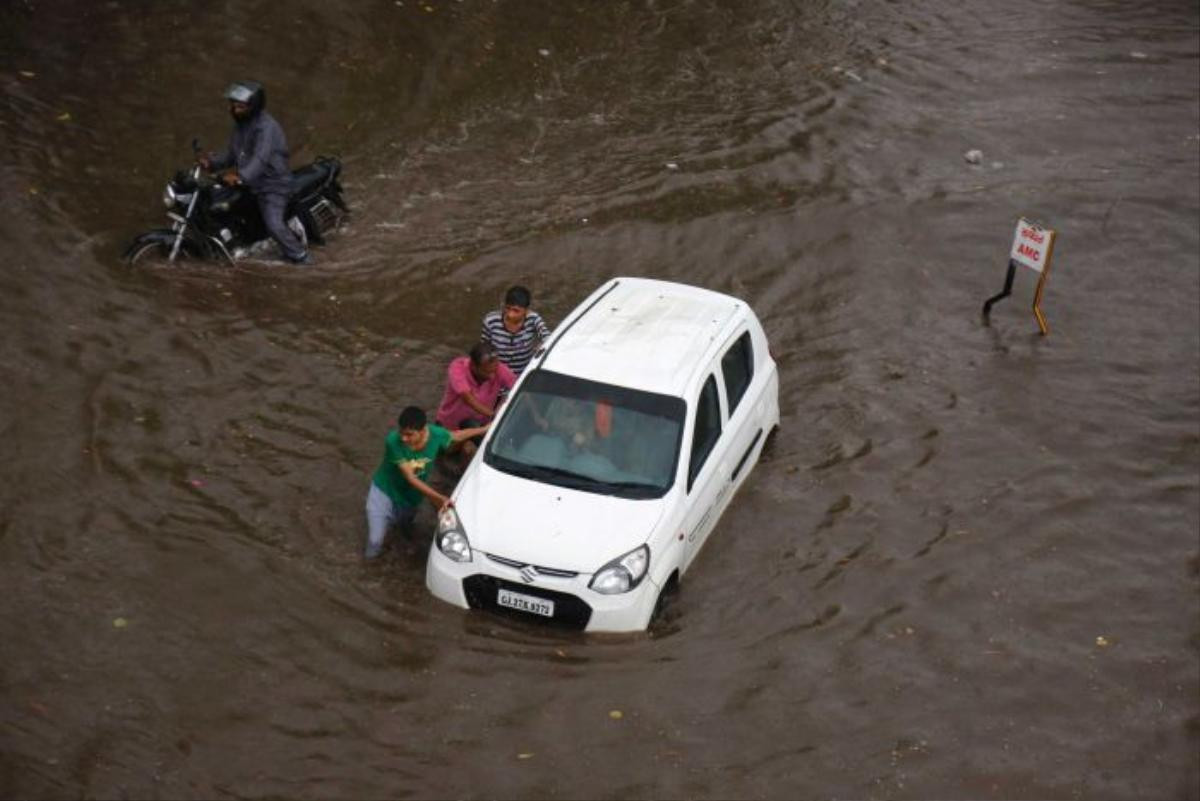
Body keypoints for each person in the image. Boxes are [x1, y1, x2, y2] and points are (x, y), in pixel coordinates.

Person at [199, 80, 310, 265]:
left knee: (273, 224)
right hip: (251, 183)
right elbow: (231, 154)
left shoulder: (266, 128)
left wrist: (240, 176)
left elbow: (260, 159)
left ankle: (301, 257)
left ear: (254, 107)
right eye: (233, 106)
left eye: (240, 107)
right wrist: (210, 163)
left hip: (273, 184)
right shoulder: (241, 126)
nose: (235, 110)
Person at [365, 406, 488, 559]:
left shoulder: (436, 435)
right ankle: (369, 562)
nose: (404, 438)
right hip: (384, 493)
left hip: (410, 499)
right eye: (402, 433)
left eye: (409, 435)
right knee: (375, 540)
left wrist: (484, 429)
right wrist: (439, 498)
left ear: (423, 431)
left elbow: (457, 436)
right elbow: (411, 478)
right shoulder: (393, 441)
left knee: (404, 528)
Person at [435, 341, 516, 443]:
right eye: (487, 372)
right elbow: (467, 398)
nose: (492, 376)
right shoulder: (457, 367)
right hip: (450, 425)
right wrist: (494, 415)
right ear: (473, 366)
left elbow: (519, 387)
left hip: (478, 425)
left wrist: (537, 418)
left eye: (494, 371)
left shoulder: (498, 368)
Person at [480, 285, 552, 375]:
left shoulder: (533, 319)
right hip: (498, 374)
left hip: (524, 373)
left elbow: (548, 337)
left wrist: (542, 346)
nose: (510, 314)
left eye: (516, 311)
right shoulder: (491, 320)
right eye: (508, 308)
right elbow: (484, 347)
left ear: (526, 311)